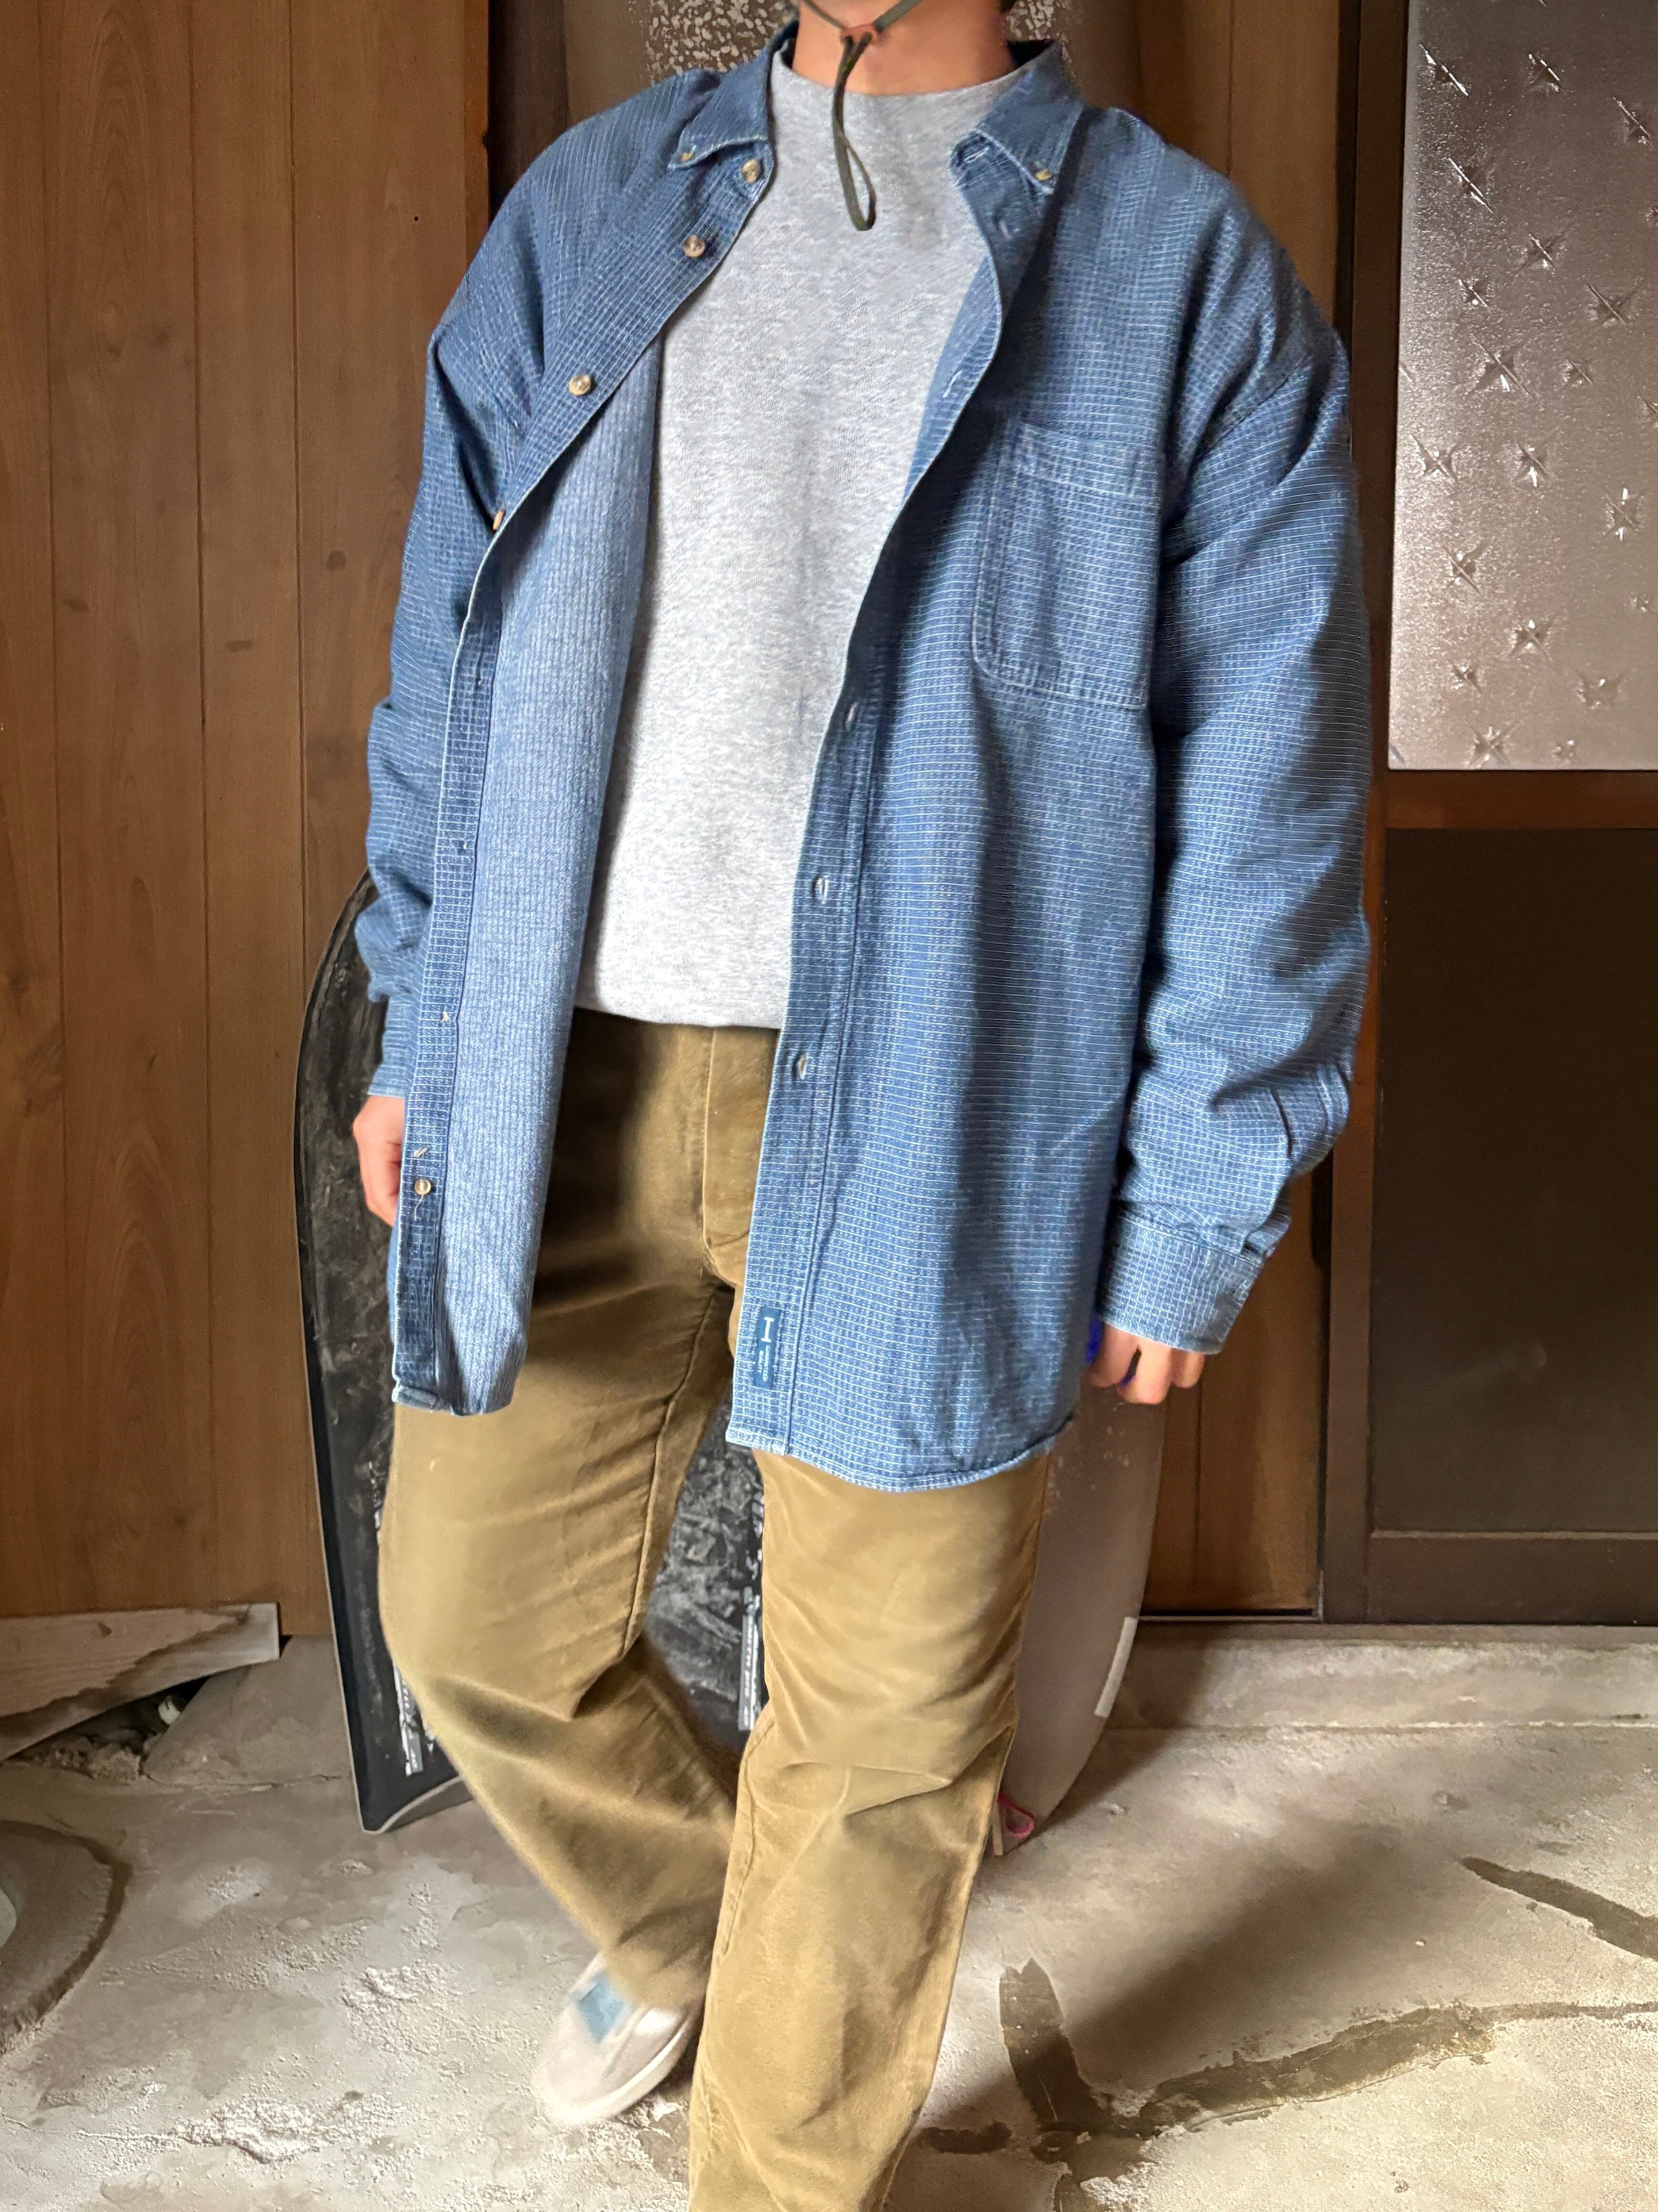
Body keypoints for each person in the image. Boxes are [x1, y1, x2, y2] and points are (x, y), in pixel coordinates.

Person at [349, 0, 1370, 2202]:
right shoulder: (590, 212)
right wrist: (424, 1018)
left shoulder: (1183, 274)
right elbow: (453, 646)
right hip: (561, 1068)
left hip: (948, 1092)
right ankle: (694, 1929)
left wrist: (1199, 1190)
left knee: (889, 1729)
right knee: (471, 1621)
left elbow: (1267, 792)